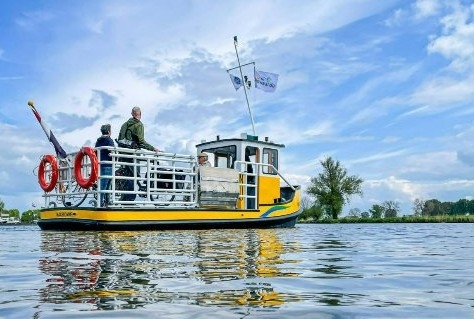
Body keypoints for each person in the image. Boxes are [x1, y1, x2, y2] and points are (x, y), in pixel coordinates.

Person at [117, 106, 160, 202]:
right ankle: (130, 199)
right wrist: (153, 148)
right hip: (133, 154)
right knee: (134, 176)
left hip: (122, 154)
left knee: (125, 175)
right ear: (140, 114)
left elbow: (120, 138)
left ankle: (123, 198)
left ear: (131, 114)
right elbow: (141, 142)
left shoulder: (124, 124)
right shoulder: (139, 125)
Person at [94, 124, 115, 206]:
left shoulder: (98, 141)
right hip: (108, 165)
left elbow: (95, 152)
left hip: (100, 165)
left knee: (103, 183)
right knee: (107, 184)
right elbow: (112, 151)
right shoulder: (109, 140)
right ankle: (103, 202)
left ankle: (103, 201)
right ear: (109, 131)